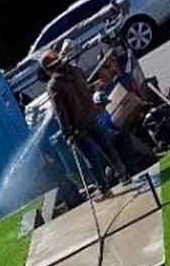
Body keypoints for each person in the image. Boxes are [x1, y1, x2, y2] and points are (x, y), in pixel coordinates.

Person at [40, 48, 122, 196]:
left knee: (91, 158)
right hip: (91, 116)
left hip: (76, 126)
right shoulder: (75, 71)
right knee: (106, 147)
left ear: (48, 70)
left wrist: (66, 132)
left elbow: (60, 112)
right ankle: (124, 175)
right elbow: (85, 88)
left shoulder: (54, 85)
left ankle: (104, 189)